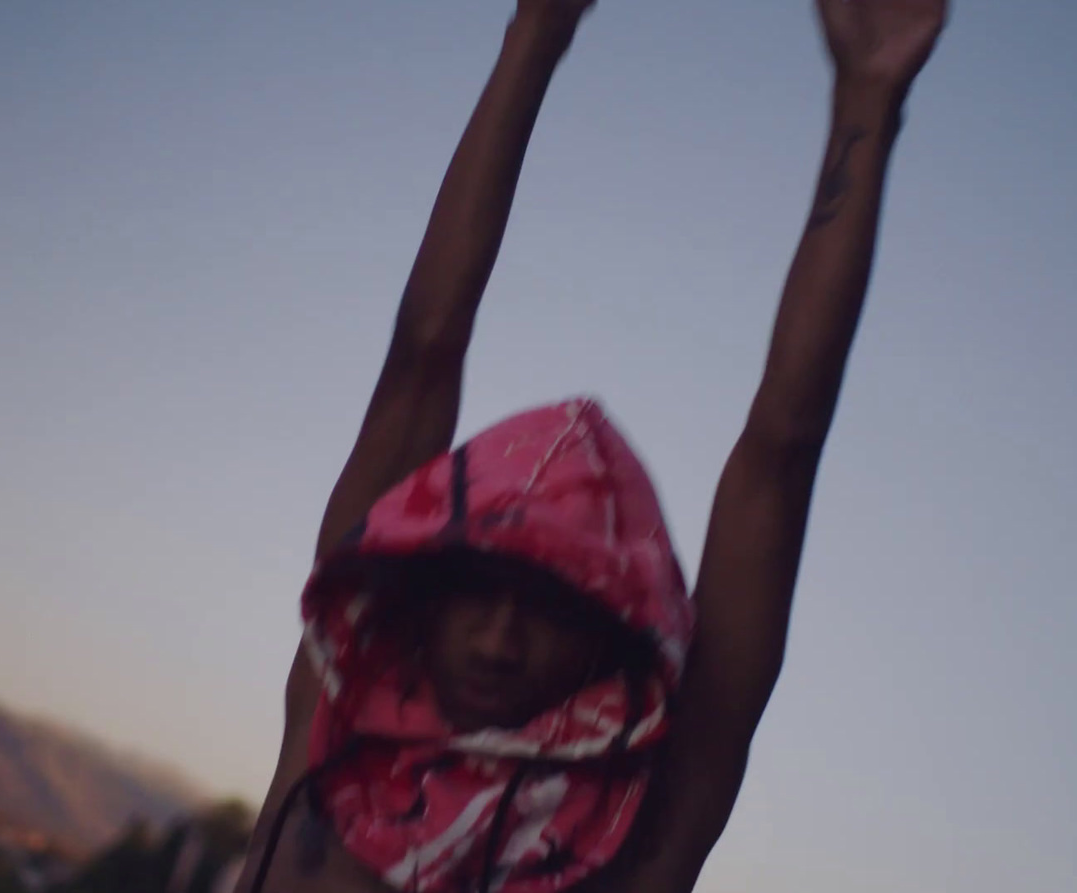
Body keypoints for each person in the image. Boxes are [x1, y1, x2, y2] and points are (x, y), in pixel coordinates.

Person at [235, 1, 949, 891]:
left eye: (546, 605)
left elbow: (782, 452)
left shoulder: (632, 847)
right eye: (480, 590)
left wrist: (866, 108)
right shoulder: (337, 721)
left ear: (609, 636)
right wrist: (536, 33)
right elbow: (423, 354)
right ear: (426, 586)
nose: (499, 640)